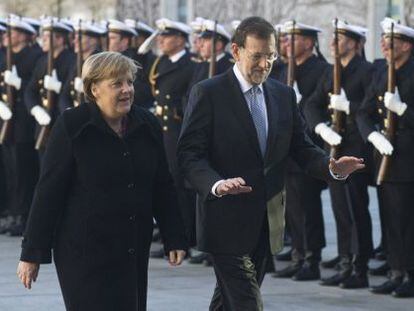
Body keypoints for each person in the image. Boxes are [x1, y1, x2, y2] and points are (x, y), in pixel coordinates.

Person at [177, 16, 365, 310]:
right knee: (247, 302)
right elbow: (189, 154)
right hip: (225, 219)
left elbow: (301, 148)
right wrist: (215, 184)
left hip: (268, 220)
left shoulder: (282, 94)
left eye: (271, 56)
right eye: (257, 56)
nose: (265, 64)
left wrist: (331, 167)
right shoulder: (209, 92)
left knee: (228, 301)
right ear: (237, 51)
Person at [17, 51, 187, 310]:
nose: (127, 90)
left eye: (129, 82)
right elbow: (49, 191)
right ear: (94, 89)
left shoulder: (147, 124)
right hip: (84, 251)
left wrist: (174, 236)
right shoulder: (73, 125)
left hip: (130, 248)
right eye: (116, 83)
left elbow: (162, 185)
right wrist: (32, 254)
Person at [305, 20, 375, 289]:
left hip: (356, 149)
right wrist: (321, 127)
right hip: (334, 149)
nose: (334, 41)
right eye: (334, 37)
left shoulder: (366, 71)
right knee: (340, 208)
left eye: (342, 37)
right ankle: (345, 261)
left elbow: (373, 107)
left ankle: (360, 265)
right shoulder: (332, 71)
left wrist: (349, 106)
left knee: (356, 207)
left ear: (356, 44)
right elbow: (312, 103)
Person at [357, 18, 414, 298]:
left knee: (407, 220)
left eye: (391, 42)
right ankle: (396, 270)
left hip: (408, 160)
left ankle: (410, 274)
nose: (385, 46)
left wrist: (402, 109)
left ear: (406, 45)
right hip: (384, 156)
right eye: (383, 41)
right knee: (390, 218)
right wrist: (373, 136)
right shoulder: (383, 73)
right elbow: (364, 112)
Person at [273, 21, 329, 282]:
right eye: (285, 40)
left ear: (309, 42)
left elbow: (323, 105)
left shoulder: (321, 69)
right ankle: (297, 254)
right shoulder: (283, 69)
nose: (286, 44)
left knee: (308, 206)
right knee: (292, 208)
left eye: (293, 39)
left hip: (308, 147)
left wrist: (302, 101)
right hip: (285, 148)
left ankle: (312, 258)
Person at [0, 17, 43, 236]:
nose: (10, 35)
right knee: (11, 169)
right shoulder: (9, 56)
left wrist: (19, 84)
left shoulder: (34, 56)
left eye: (16, 32)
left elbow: (35, 86)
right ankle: (14, 212)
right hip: (7, 119)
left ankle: (23, 215)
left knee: (24, 170)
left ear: (26, 36)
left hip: (24, 121)